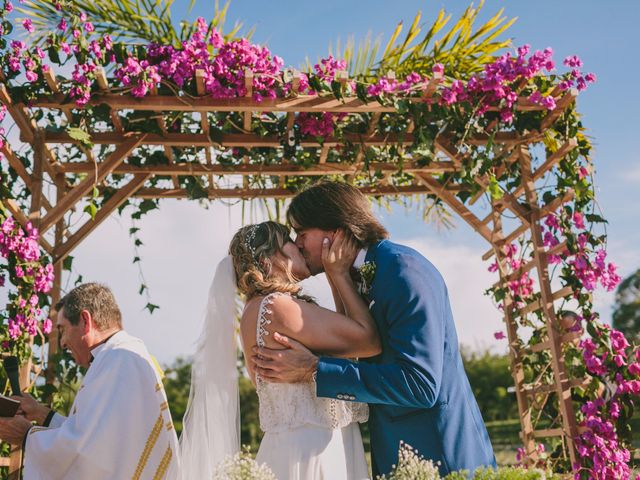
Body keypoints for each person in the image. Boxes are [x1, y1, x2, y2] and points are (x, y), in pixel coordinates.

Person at [252, 181, 497, 478]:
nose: (298, 243)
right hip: (394, 454)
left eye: (302, 233)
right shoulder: (354, 278)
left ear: (336, 230)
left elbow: (419, 384)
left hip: (439, 453)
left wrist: (314, 369)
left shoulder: (403, 271)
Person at [179, 221, 380, 479]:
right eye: (288, 239)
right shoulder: (277, 307)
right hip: (312, 451)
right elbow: (368, 341)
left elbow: (348, 341)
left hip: (298, 445)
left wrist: (334, 275)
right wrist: (338, 274)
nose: (298, 244)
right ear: (268, 260)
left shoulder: (257, 309)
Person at [0, 283, 178, 479]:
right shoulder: (120, 357)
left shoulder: (118, 360)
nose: (62, 342)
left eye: (63, 329)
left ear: (85, 320)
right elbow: (95, 438)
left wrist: (27, 436)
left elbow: (87, 454)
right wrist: (41, 414)